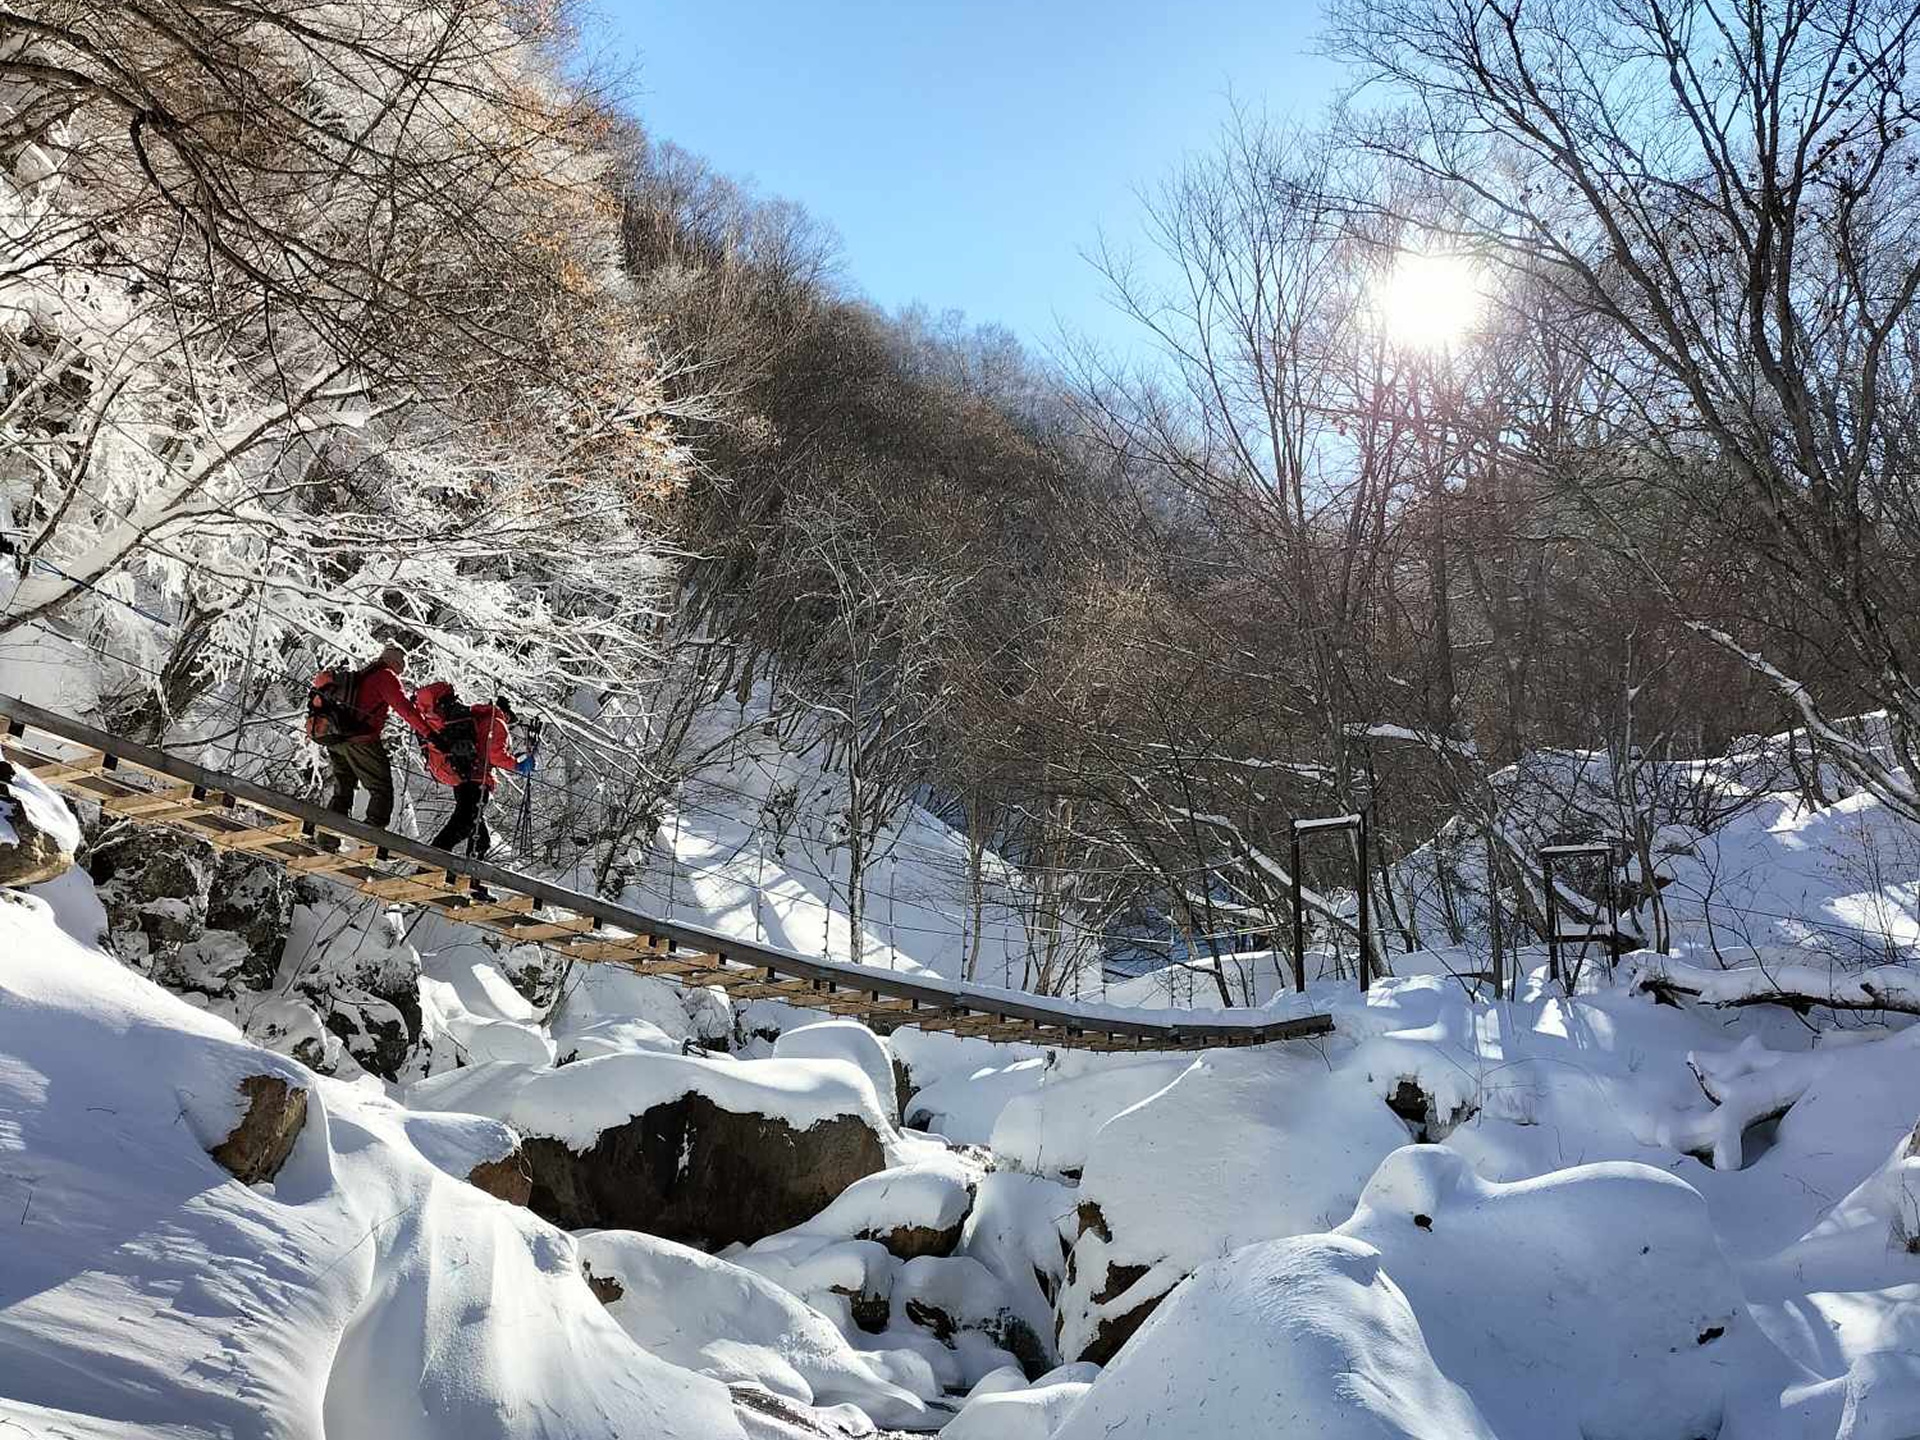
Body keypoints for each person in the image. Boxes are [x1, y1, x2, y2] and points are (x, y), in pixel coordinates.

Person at [310, 646, 433, 830]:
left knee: (343, 790)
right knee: (381, 789)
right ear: (397, 664)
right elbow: (405, 710)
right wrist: (429, 733)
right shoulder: (386, 676)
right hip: (361, 741)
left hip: (336, 740)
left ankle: (327, 837)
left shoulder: (363, 674)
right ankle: (371, 838)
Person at [416, 686, 530, 859]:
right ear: (506, 714)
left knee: (479, 835)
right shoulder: (497, 722)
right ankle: (431, 861)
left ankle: (471, 873)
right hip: (478, 780)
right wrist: (518, 765)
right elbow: (495, 754)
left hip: (462, 777)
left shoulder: (477, 718)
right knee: (463, 824)